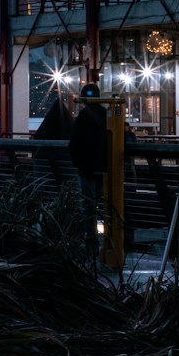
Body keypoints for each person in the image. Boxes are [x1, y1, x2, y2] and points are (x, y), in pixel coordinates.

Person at [68, 83, 108, 259]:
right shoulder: (108, 114)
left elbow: (74, 143)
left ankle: (92, 244)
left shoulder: (83, 117)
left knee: (88, 207)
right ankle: (111, 243)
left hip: (87, 169)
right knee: (108, 206)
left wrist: (78, 163)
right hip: (107, 168)